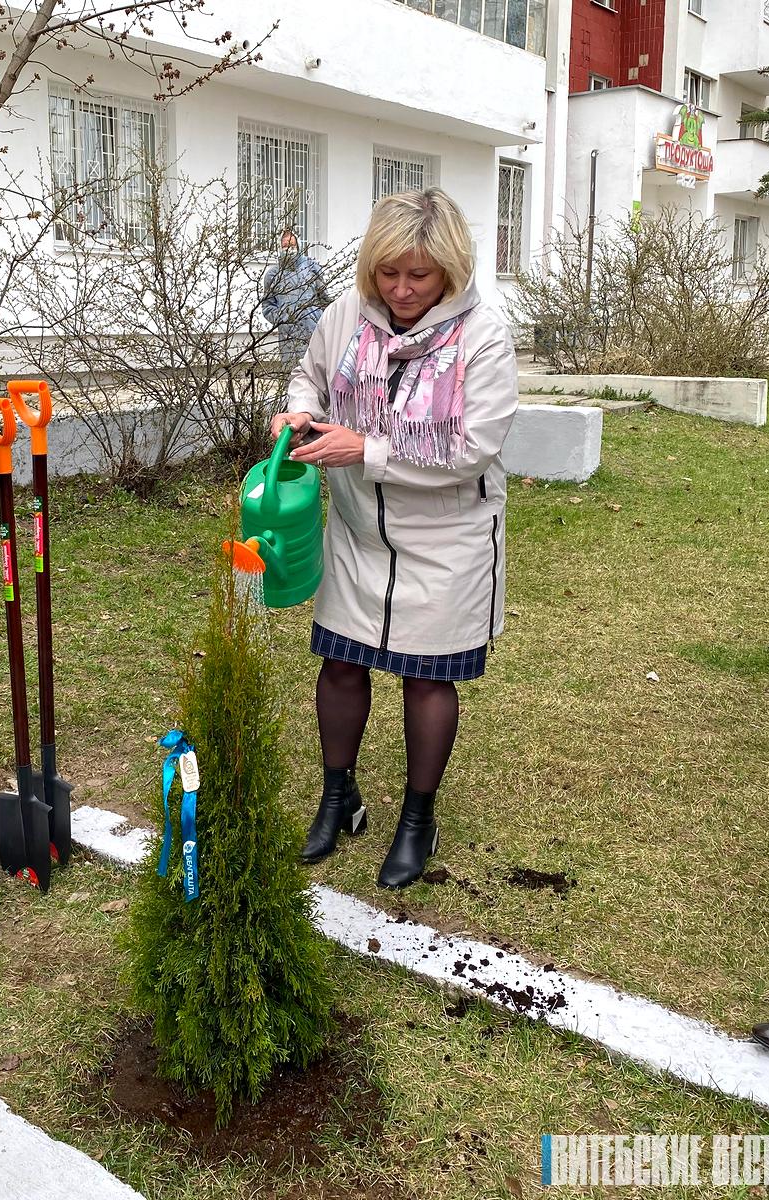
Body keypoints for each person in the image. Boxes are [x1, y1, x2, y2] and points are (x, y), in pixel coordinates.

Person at [270, 189, 518, 889]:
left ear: (450, 271)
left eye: (420, 276)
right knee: (341, 664)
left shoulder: (483, 337)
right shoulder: (346, 315)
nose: (402, 290)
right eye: (388, 274)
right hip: (356, 528)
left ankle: (417, 817)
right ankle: (338, 796)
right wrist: (299, 413)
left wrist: (367, 450)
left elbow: (473, 448)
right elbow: (310, 376)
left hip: (449, 538)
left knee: (426, 676)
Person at [261, 229, 330, 364]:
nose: (289, 249)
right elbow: (267, 306)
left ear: (298, 246)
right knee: (291, 376)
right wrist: (283, 317)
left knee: (317, 373)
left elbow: (325, 299)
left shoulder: (312, 267)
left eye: (292, 246)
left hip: (313, 331)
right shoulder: (273, 275)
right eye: (285, 246)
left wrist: (320, 319)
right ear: (279, 247)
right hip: (288, 336)